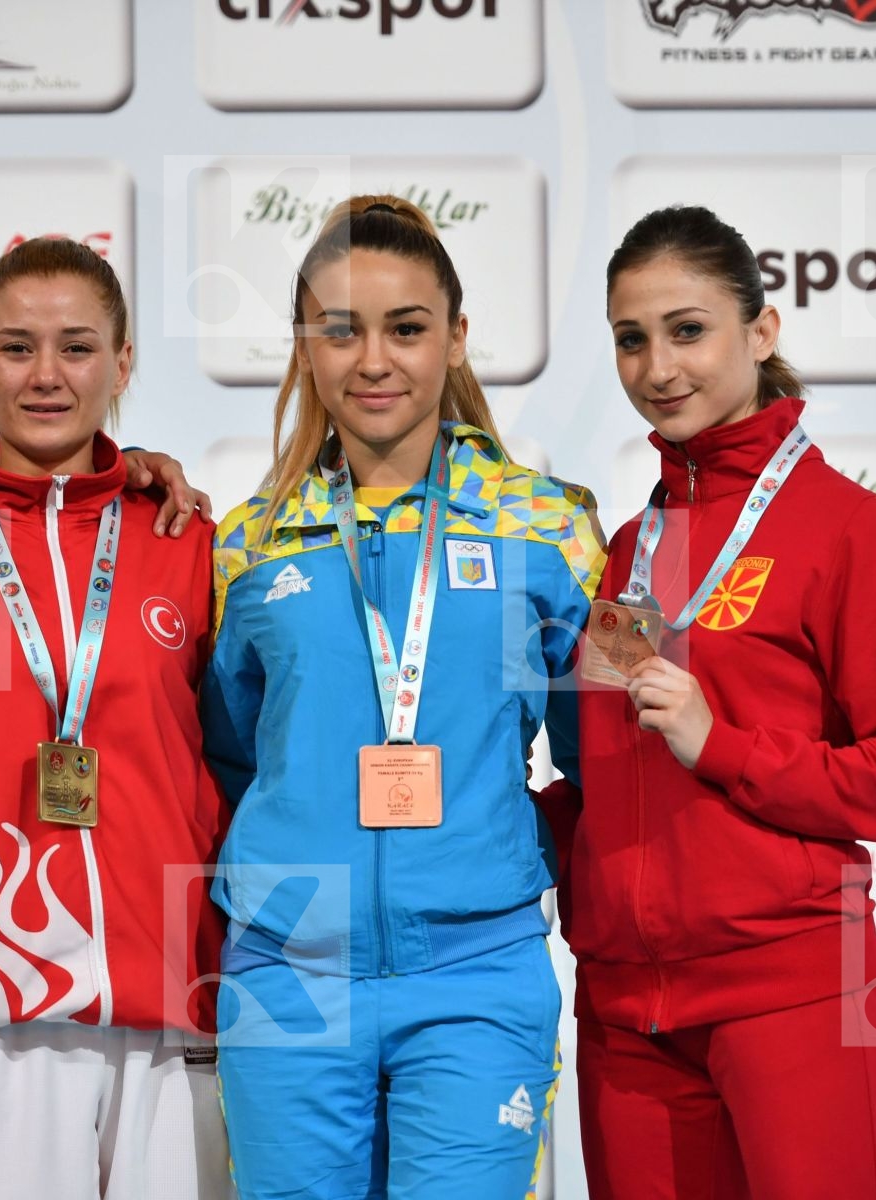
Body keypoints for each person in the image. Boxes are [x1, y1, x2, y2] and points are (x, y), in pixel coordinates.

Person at [544, 204, 876, 1200]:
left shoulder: (849, 527)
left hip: (793, 998)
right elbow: (609, 786)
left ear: (761, 333)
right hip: (625, 1018)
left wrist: (719, 744)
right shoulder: (629, 545)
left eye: (688, 330)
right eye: (631, 339)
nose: (658, 366)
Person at [201, 195, 605, 1199]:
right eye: (340, 331)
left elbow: (598, 756)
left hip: (476, 969)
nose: (372, 360)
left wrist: (490, 846)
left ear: (456, 338)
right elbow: (233, 751)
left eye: (407, 328)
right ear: (304, 347)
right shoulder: (249, 542)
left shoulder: (545, 529)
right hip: (287, 968)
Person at [0, 236, 232, 1200]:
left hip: (167, 983)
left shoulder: (188, 537)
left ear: (124, 364)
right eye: (17, 347)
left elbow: (242, 758)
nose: (47, 376)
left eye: (77, 346)